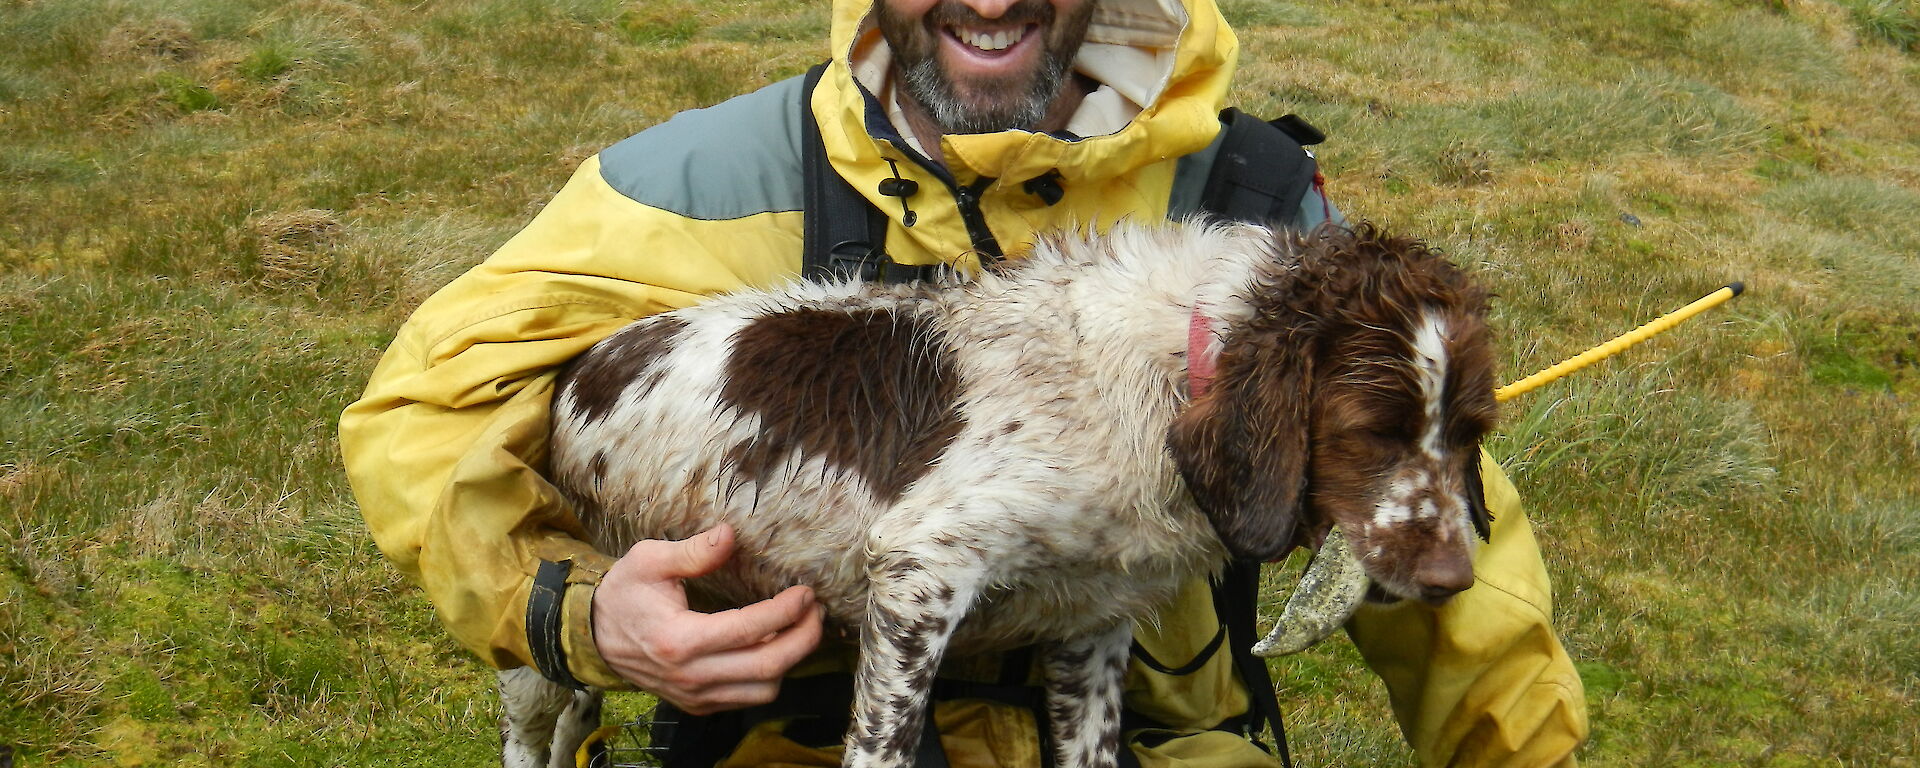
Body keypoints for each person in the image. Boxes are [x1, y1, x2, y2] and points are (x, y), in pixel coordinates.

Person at [339, 0, 1590, 765]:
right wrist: (568, 610)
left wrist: (1522, 751)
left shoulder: (1253, 203)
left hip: (1162, 738)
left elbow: (1436, 492)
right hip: (783, 728)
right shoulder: (701, 176)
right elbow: (418, 410)